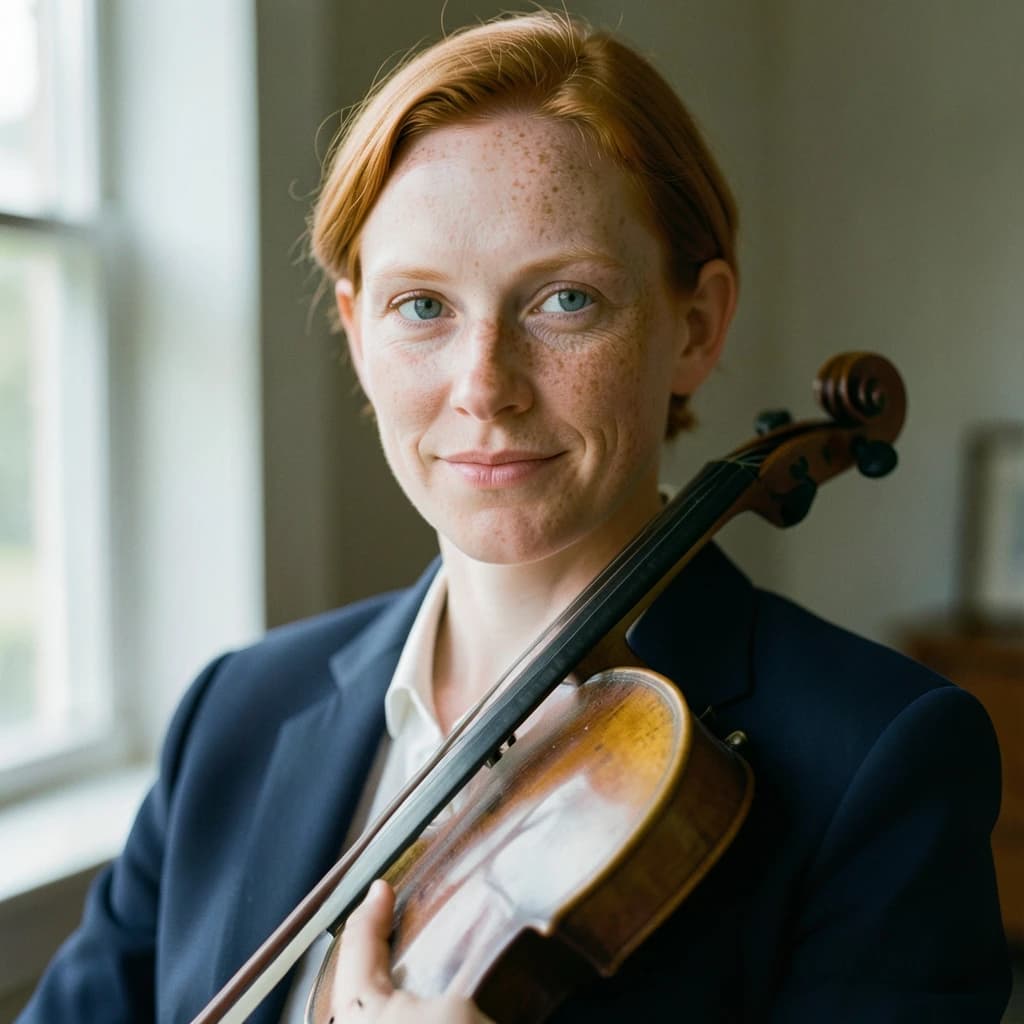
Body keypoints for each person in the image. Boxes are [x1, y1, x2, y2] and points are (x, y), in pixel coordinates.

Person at [16, 11, 1011, 1024]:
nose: (484, 385)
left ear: (696, 326)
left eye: (565, 299)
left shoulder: (879, 759)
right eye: (422, 306)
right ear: (356, 332)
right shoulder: (236, 713)